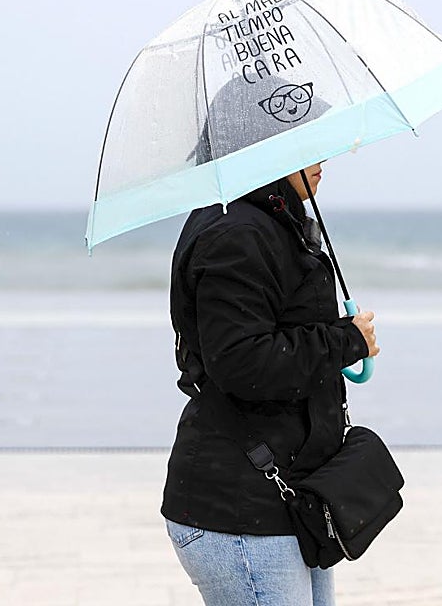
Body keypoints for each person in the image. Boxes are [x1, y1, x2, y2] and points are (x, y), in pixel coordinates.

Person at [162, 161, 381, 606]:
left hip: (283, 501)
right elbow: (243, 361)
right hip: (241, 512)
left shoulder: (274, 221)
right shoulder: (236, 234)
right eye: (309, 147)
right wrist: (345, 341)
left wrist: (342, 338)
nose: (323, 162)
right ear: (269, 151)